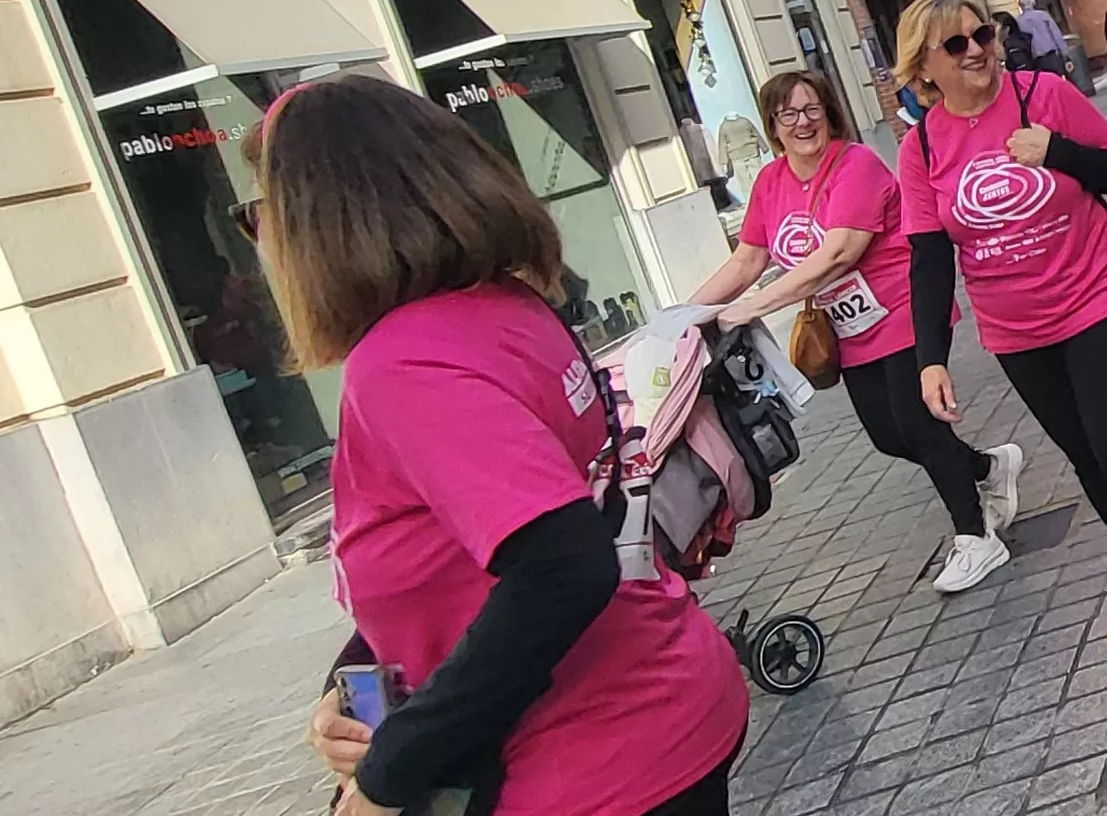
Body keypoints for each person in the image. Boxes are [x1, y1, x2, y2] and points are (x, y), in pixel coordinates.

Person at [267, 75, 747, 816]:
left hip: (587, 764)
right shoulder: (507, 308)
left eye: (258, 214)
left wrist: (389, 773)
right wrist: (356, 670)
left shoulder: (404, 363)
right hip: (661, 698)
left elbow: (562, 565)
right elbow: (477, 556)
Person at [894, 0, 1107, 657]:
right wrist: (931, 356)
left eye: (982, 33)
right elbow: (927, 258)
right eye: (956, 44)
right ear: (924, 67)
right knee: (1088, 455)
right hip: (1016, 326)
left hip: (1097, 290)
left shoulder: (1044, 95)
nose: (977, 48)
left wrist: (1057, 150)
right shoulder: (919, 149)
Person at [687, 71, 1025, 593]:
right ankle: (984, 467)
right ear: (773, 124)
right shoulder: (772, 183)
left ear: (830, 112)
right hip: (849, 328)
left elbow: (839, 251)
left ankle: (976, 537)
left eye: (812, 109)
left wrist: (746, 310)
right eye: (789, 114)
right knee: (888, 436)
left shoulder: (856, 165)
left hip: (901, 310)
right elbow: (749, 257)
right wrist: (687, 317)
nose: (803, 122)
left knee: (918, 424)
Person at [1013, 0, 1071, 76]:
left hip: (1035, 61)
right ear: (1033, 3)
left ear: (1021, 6)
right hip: (1051, 56)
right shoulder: (1043, 15)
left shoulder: (1018, 21)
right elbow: (1056, 34)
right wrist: (1065, 54)